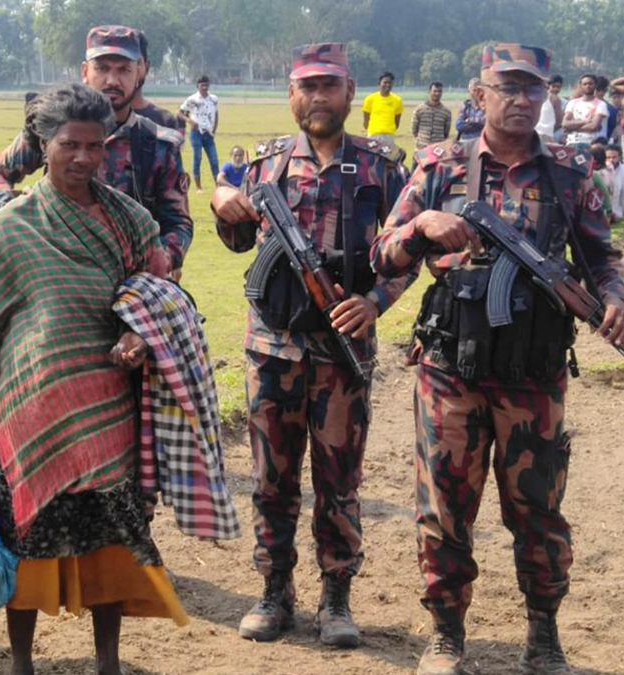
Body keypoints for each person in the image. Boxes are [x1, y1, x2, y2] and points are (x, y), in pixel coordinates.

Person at [371, 44, 624, 675]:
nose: (519, 99)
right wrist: (422, 225)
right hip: (449, 371)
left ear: (546, 96)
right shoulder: (439, 165)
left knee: (537, 508)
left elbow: (600, 256)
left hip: (533, 376)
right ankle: (446, 635)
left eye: (531, 89)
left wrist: (616, 297)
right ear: (479, 94)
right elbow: (382, 255)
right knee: (444, 509)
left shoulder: (570, 172)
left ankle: (543, 634)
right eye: (505, 87)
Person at [0, 83, 187, 675]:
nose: (82, 157)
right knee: (24, 542)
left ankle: (108, 661)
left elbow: (160, 298)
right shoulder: (12, 227)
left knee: (110, 544)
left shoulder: (131, 219)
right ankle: (21, 662)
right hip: (29, 412)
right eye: (68, 145)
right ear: (42, 144)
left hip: (109, 407)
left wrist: (139, 336)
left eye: (95, 146)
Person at [209, 42, 408, 649]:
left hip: (342, 353)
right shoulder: (266, 164)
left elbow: (408, 251)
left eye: (329, 85)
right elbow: (239, 244)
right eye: (307, 86)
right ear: (291, 95)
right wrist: (223, 200)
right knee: (272, 479)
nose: (318, 96)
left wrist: (375, 303)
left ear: (351, 94)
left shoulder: (381, 166)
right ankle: (274, 592)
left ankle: (336, 599)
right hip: (271, 351)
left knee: (339, 479)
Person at [0, 25, 191, 276]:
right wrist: (16, 216)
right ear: (85, 71)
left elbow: (178, 223)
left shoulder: (157, 144)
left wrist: (163, 259)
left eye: (123, 70)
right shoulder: (53, 130)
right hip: (57, 276)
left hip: (131, 285)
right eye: (102, 68)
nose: (112, 81)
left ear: (139, 72)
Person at [132, 31, 185, 131]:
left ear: (146, 67)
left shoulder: (164, 121)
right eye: (104, 68)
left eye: (125, 68)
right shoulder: (96, 121)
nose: (113, 79)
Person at [180, 74, 220, 191]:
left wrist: (214, 129)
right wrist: (189, 120)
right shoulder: (192, 99)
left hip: (209, 133)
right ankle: (198, 187)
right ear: (198, 86)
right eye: (202, 85)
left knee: (214, 160)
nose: (204, 88)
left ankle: (218, 186)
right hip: (196, 132)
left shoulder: (213, 99)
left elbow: (216, 115)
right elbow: (179, 112)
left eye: (206, 85)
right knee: (197, 158)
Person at [563, 73, 608, 148]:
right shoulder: (573, 103)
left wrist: (572, 127)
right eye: (585, 84)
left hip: (590, 143)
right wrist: (586, 122)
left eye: (590, 83)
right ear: (580, 86)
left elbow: (593, 126)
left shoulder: (600, 104)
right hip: (571, 141)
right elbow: (564, 123)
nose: (588, 86)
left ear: (595, 85)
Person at [361, 71, 403, 145]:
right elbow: (366, 120)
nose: (387, 85)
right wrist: (373, 130)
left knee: (387, 156)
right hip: (373, 134)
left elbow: (397, 121)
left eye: (390, 83)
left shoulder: (397, 100)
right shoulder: (370, 98)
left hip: (389, 135)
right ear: (379, 83)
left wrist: (388, 129)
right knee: (373, 156)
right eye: (385, 82)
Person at [411, 81, 452, 149]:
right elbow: (414, 129)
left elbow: (446, 132)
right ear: (429, 91)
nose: (437, 93)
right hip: (421, 147)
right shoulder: (419, 109)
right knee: (419, 159)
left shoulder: (446, 112)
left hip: (438, 148)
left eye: (439, 91)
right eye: (435, 91)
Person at [603, 145, 624, 220]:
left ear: (620, 157)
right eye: (608, 157)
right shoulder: (600, 170)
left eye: (614, 157)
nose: (611, 160)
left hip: (616, 213)